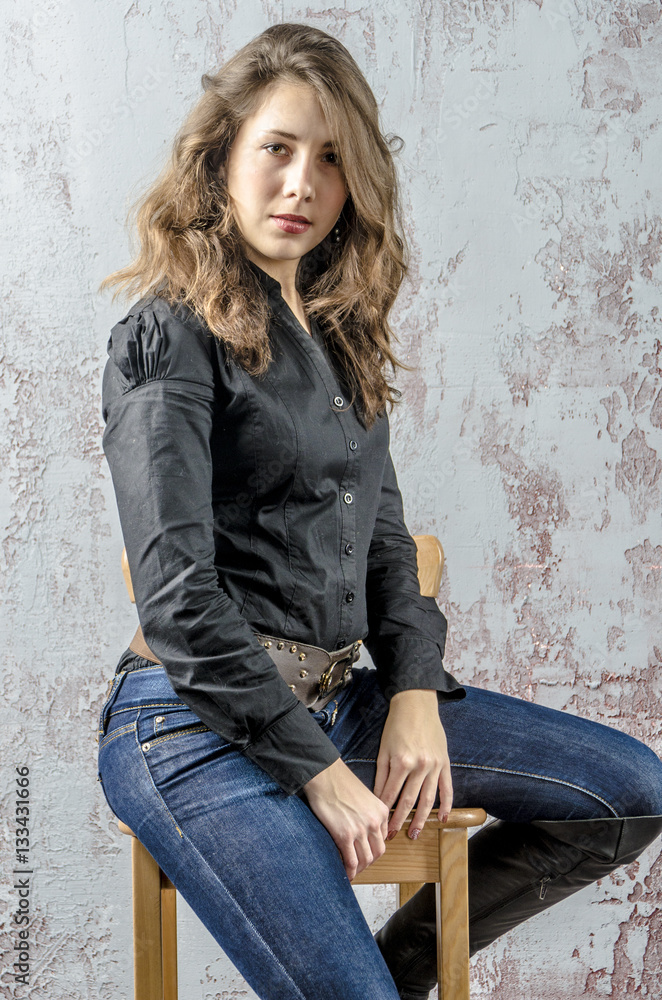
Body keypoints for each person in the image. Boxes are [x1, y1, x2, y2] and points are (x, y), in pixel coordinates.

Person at [97, 22, 662, 1000]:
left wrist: (409, 693)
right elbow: (176, 597)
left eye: (330, 159)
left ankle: (389, 979)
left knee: (625, 792)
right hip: (191, 724)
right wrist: (317, 770)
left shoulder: (336, 338)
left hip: (338, 697)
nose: (300, 184)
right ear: (223, 155)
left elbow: (386, 549)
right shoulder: (165, 332)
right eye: (275, 148)